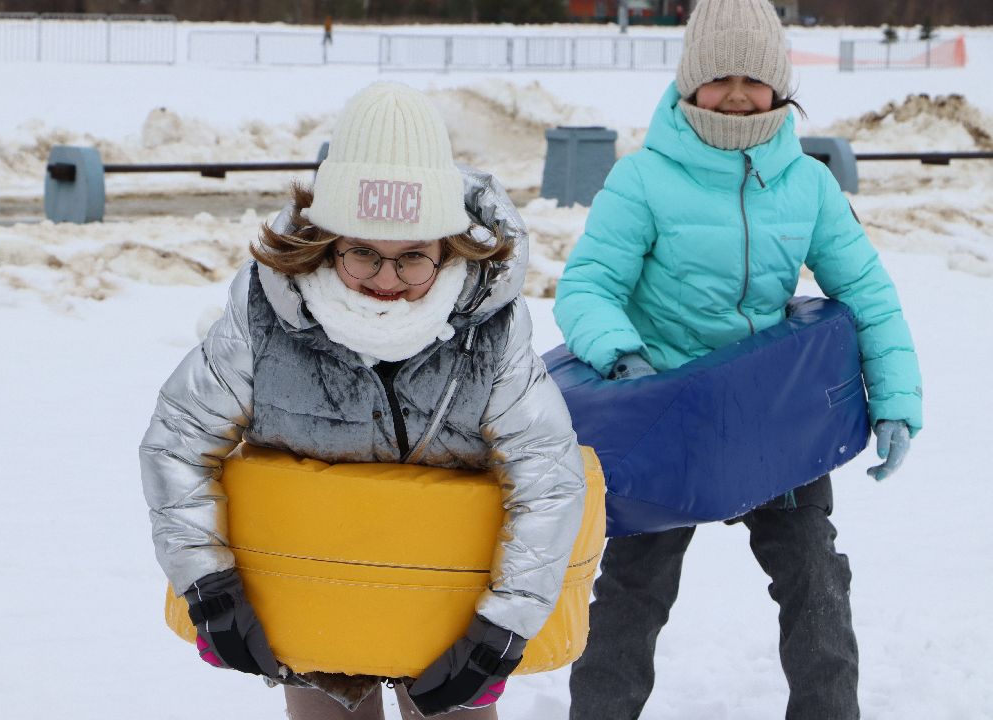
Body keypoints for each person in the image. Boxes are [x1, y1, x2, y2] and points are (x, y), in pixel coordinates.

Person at [140, 82, 586, 720]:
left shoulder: (488, 332)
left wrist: (500, 633)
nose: (385, 281)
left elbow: (548, 476)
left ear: (448, 248)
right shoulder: (266, 316)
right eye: (362, 254)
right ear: (327, 240)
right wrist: (208, 586)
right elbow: (178, 440)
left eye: (413, 259)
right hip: (314, 598)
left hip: (449, 609)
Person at [553, 0, 922, 718]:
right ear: (690, 81)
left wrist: (898, 400)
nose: (735, 93)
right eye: (717, 76)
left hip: (771, 416)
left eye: (753, 78)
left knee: (815, 579)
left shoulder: (807, 183)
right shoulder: (643, 180)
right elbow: (588, 287)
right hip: (669, 417)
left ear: (780, 86)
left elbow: (869, 293)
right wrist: (624, 357)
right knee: (635, 591)